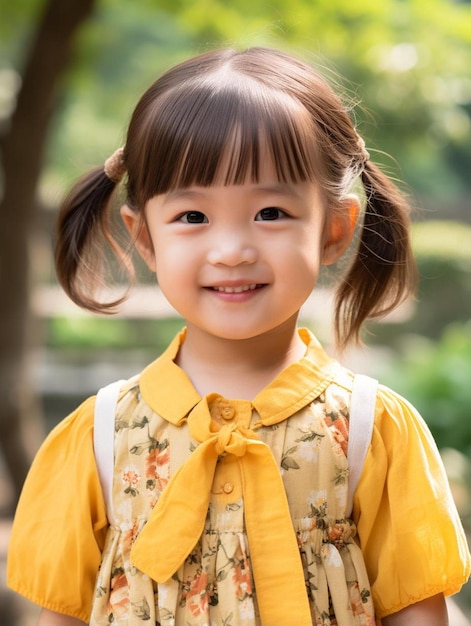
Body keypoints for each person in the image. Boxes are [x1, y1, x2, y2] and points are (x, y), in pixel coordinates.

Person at [7, 46, 470, 626]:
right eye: (193, 218)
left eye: (271, 212)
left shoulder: (371, 431)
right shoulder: (98, 438)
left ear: (334, 229)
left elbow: (418, 614)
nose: (231, 251)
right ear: (144, 237)